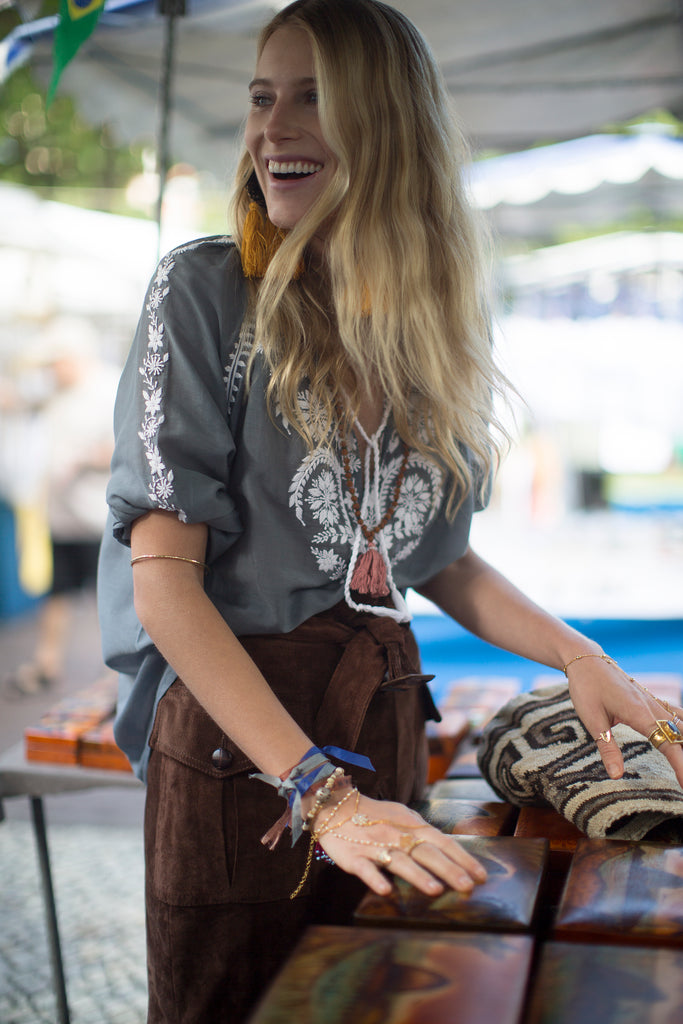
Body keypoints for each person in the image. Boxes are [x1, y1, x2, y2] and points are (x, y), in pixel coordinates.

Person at [98, 2, 683, 1021]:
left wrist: (579, 655)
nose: (273, 128)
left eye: (313, 97)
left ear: (389, 122)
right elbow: (163, 585)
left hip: (378, 725)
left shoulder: (423, 322)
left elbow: (438, 558)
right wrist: (319, 792)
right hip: (248, 757)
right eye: (261, 98)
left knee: (371, 1002)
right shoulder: (205, 294)